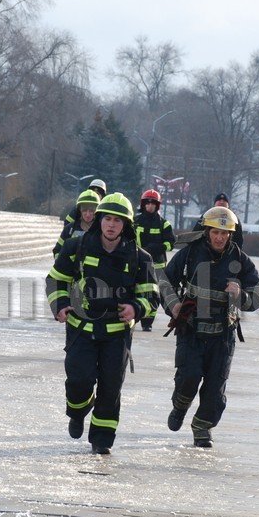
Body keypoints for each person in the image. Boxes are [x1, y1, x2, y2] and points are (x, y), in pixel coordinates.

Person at [45, 192, 159, 455]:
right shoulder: (77, 246)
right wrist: (60, 305)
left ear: (126, 225)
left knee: (110, 388)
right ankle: (78, 410)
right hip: (80, 330)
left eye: (118, 221)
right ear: (98, 220)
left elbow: (151, 295)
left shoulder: (140, 258)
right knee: (79, 380)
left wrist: (136, 308)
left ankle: (102, 440)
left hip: (117, 334)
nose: (111, 225)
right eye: (107, 219)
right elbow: (55, 280)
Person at [158, 206, 259, 448]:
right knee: (189, 378)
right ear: (207, 231)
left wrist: (241, 297)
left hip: (223, 336)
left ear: (231, 235)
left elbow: (258, 292)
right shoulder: (189, 254)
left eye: (225, 234)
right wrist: (174, 306)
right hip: (191, 331)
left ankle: (202, 427)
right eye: (216, 232)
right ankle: (180, 406)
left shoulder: (240, 260)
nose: (220, 238)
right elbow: (164, 281)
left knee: (215, 390)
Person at [133, 189, 176, 332]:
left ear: (157, 206)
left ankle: (147, 322)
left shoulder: (164, 224)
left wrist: (157, 248)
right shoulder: (135, 221)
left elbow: (171, 243)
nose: (150, 206)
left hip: (157, 266)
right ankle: (135, 315)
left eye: (153, 204)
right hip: (137, 264)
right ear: (143, 204)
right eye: (147, 203)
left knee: (153, 294)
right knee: (135, 291)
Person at [53, 189, 99, 255]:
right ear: (79, 210)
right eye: (84, 210)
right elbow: (57, 251)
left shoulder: (101, 230)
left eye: (91, 210)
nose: (88, 214)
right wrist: (62, 263)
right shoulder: (69, 229)